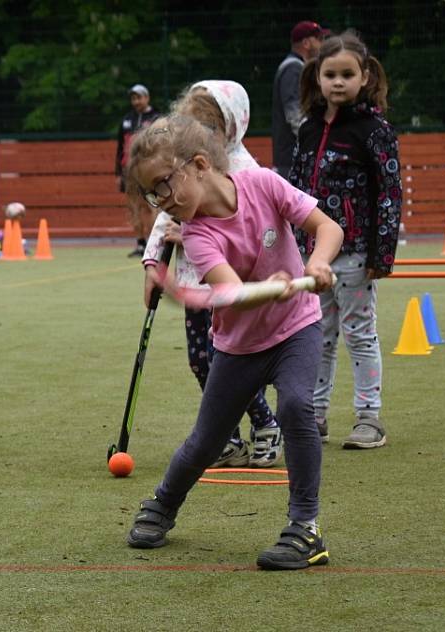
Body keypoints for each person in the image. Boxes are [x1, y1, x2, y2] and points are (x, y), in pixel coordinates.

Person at [124, 113, 344, 570]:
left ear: (200, 165)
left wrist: (317, 263)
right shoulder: (199, 234)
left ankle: (305, 529)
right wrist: (268, 286)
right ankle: (163, 503)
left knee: (297, 407)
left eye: (164, 185)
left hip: (295, 328)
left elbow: (328, 228)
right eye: (151, 194)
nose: (160, 202)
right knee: (206, 441)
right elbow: (230, 293)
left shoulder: (264, 184)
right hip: (239, 347)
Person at [141, 81, 282, 469]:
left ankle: (266, 423)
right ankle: (229, 436)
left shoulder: (244, 172)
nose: (198, 141)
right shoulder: (182, 168)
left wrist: (187, 236)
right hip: (193, 283)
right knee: (202, 361)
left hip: (233, 286)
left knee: (232, 362)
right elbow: (165, 217)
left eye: (207, 132)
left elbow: (242, 229)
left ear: (231, 127)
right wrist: (154, 265)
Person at [290, 30, 401, 449]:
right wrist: (294, 245)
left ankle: (369, 417)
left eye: (346, 74)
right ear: (317, 77)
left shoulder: (374, 130)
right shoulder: (308, 129)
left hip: (355, 253)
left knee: (359, 332)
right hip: (313, 254)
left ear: (365, 76)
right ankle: (314, 416)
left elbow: (390, 191)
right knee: (316, 333)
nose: (337, 82)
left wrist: (382, 252)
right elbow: (295, 191)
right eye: (329, 74)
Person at [271, 21, 329, 180]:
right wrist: (318, 141)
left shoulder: (297, 67)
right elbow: (294, 116)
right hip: (290, 161)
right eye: (320, 39)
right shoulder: (293, 68)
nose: (323, 44)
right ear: (306, 43)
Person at [115, 84, 160, 257]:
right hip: (129, 171)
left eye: (139, 97)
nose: (136, 101)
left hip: (149, 170)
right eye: (133, 98)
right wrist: (118, 173)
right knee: (134, 208)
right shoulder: (127, 120)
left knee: (151, 206)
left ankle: (155, 243)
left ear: (147, 98)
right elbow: (120, 148)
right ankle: (141, 244)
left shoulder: (156, 118)